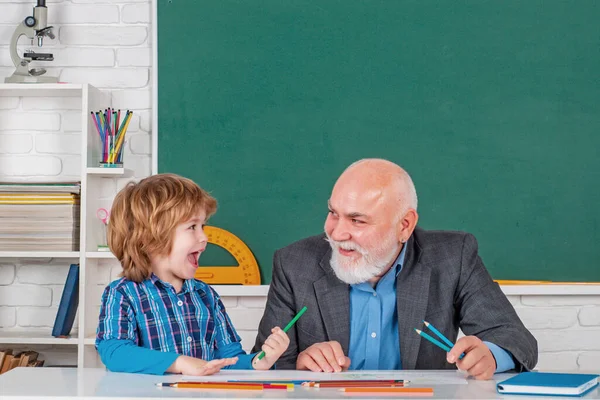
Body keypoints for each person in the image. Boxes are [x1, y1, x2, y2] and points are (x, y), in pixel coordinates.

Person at [254, 159, 537, 380]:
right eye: (333, 213)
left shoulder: (452, 256)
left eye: (357, 221)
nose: (337, 233)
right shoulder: (294, 263)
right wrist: (298, 365)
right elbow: (261, 361)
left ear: (404, 226)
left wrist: (490, 355)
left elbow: (515, 339)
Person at [96, 173, 289, 375]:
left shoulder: (206, 295)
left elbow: (229, 359)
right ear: (150, 238)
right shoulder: (122, 294)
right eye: (192, 227)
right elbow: (114, 353)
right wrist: (180, 363)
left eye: (202, 226)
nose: (204, 237)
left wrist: (259, 362)